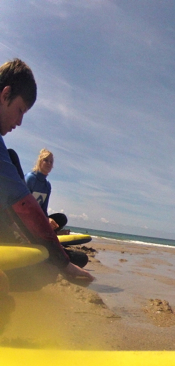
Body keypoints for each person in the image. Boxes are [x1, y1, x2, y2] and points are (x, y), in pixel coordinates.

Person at [0, 58, 94, 281]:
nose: (20, 122)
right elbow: (24, 206)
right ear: (5, 95)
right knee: (44, 273)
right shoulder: (30, 177)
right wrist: (62, 263)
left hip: (16, 226)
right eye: (20, 110)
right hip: (15, 225)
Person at [25, 149, 68, 233]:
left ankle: (45, 234)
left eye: (51, 162)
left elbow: (44, 209)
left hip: (37, 218)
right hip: (24, 216)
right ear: (40, 162)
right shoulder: (30, 178)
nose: (49, 163)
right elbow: (22, 204)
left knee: (61, 219)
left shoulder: (47, 185)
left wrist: (47, 219)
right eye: (46, 160)